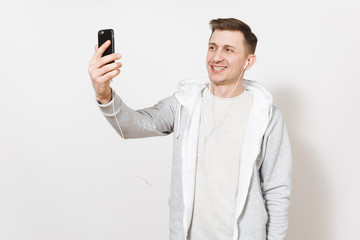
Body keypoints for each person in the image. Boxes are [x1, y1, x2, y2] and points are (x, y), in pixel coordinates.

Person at [88, 18, 292, 240]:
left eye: (228, 50)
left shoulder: (267, 116)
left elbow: (277, 191)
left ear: (248, 61)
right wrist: (103, 93)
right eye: (212, 47)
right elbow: (132, 126)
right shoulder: (184, 104)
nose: (216, 57)